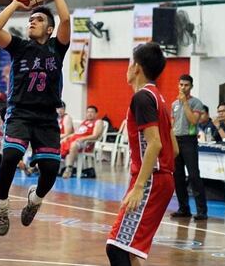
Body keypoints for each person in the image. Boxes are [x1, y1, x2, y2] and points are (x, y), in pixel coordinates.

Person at [0, 0, 70, 236]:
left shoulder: (58, 48)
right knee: (11, 156)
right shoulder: (19, 47)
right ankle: (1, 205)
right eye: (31, 19)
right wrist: (16, 3)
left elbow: (66, 19)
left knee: (50, 170)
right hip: (20, 112)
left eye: (39, 19)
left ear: (49, 29)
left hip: (47, 116)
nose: (32, 21)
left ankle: (35, 199)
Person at [106, 42, 177, 266]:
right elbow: (173, 148)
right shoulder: (160, 99)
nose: (126, 68)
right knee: (127, 249)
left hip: (151, 181)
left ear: (136, 67)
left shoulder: (142, 98)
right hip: (159, 179)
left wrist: (139, 187)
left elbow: (155, 144)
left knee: (116, 248)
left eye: (129, 63)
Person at [170, 74, 208, 221]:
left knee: (193, 175)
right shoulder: (174, 104)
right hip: (176, 140)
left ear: (191, 86)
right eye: (180, 85)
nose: (183, 87)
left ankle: (202, 211)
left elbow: (193, 120)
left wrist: (185, 103)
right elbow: (172, 125)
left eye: (186, 85)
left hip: (189, 141)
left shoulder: (196, 103)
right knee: (177, 176)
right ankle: (183, 208)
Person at [60, 106, 104, 179]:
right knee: (59, 143)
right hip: (76, 140)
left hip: (87, 143)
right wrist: (66, 137)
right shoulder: (85, 122)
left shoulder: (98, 122)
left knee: (74, 145)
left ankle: (69, 169)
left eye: (92, 112)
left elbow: (95, 135)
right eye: (88, 112)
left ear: (96, 114)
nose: (89, 114)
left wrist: (83, 138)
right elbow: (76, 133)